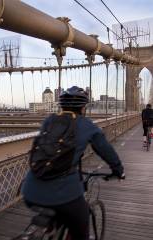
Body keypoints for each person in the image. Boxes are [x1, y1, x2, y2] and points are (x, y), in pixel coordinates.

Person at [22, 86, 125, 240]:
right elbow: (106, 150)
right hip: (63, 194)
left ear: (61, 105)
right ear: (83, 107)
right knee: (81, 222)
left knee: (58, 218)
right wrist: (118, 170)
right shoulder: (86, 125)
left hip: (29, 191)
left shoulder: (49, 120)